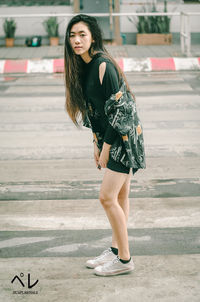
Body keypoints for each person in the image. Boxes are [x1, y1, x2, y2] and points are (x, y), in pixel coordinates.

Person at [64, 14, 145, 277]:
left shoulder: (103, 65)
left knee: (107, 197)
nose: (76, 40)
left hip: (123, 138)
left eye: (82, 35)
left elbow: (120, 111)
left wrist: (107, 147)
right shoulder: (84, 65)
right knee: (121, 197)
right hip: (111, 137)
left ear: (93, 37)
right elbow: (97, 112)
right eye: (72, 35)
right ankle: (114, 249)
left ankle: (124, 260)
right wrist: (96, 143)